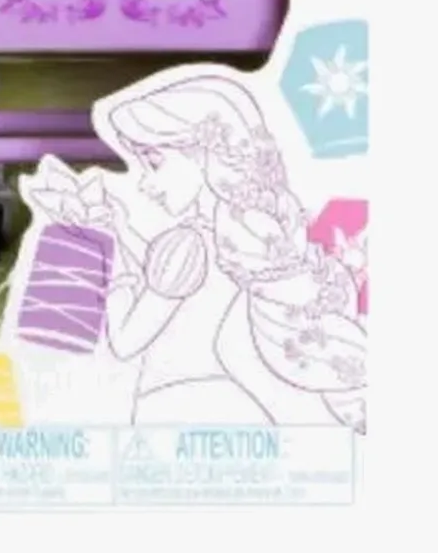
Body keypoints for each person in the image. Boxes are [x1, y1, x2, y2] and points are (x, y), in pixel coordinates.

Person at [98, 75, 365, 430]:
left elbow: (125, 341)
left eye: (154, 162)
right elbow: (164, 276)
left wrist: (109, 271)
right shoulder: (245, 241)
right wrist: (118, 228)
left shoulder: (190, 246)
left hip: (176, 408)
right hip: (233, 407)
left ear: (205, 156)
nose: (145, 182)